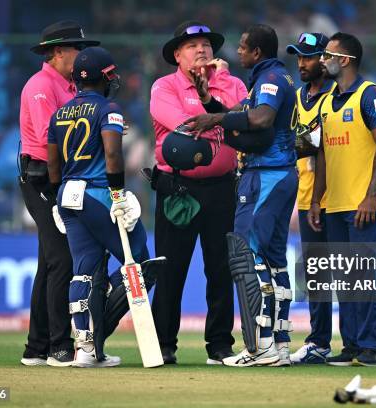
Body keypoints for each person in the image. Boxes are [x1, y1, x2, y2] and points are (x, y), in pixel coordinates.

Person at [185, 24, 298, 367]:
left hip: (265, 177)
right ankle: (278, 344)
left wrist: (216, 118)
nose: (238, 52)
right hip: (279, 175)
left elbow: (260, 121)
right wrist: (210, 105)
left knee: (249, 256)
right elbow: (247, 127)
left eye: (243, 46)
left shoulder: (270, 81)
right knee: (275, 260)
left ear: (257, 52)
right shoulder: (275, 79)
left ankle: (259, 346)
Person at [149, 21, 247, 365]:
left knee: (221, 269)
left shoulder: (232, 84)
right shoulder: (164, 86)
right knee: (170, 269)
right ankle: (163, 344)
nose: (201, 49)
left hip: (222, 188)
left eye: (206, 44)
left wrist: (215, 95)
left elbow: (247, 120)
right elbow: (183, 126)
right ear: (177, 54)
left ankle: (220, 345)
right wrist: (220, 119)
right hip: (178, 188)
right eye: (192, 46)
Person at [47, 46, 149, 367]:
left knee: (84, 270)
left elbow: (52, 165)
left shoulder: (58, 113)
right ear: (105, 77)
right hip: (98, 194)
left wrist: (57, 197)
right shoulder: (110, 109)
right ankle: (101, 321)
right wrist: (118, 194)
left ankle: (86, 350)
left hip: (67, 195)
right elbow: (114, 156)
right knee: (141, 262)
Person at [308, 32, 376, 367]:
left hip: (363, 204)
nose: (322, 59)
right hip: (335, 204)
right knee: (345, 278)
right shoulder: (327, 101)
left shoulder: (371, 96)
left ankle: (374, 348)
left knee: (365, 276)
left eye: (328, 54)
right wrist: (317, 200)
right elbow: (324, 155)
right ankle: (353, 346)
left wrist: (370, 196)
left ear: (344, 60)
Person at [18, 20, 99, 367]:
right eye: (77, 49)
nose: (82, 56)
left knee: (48, 263)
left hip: (59, 178)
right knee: (62, 260)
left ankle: (35, 348)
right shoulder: (40, 86)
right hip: (41, 179)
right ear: (57, 53)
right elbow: (51, 135)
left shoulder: (68, 86)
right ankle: (58, 346)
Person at [285, 33, 337, 365]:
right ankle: (319, 342)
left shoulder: (337, 96)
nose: (302, 63)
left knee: (345, 274)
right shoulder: (296, 97)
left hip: (338, 197)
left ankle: (358, 343)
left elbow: (324, 146)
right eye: (299, 57)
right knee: (317, 274)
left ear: (326, 60)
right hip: (306, 197)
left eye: (309, 56)